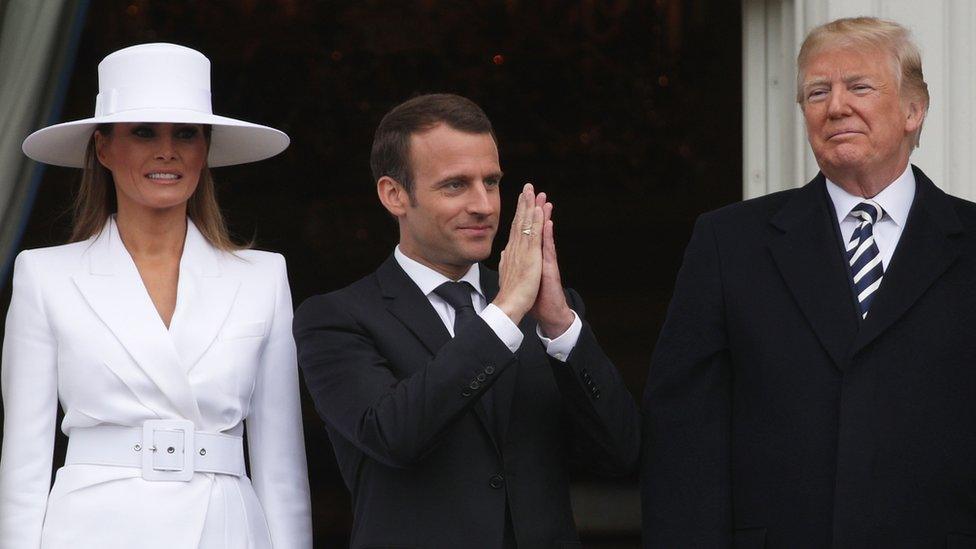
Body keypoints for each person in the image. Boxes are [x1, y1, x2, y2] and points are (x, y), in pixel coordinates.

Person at [640, 16, 976, 548]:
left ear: (914, 109)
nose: (836, 106)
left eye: (858, 86)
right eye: (818, 92)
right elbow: (683, 440)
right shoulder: (729, 243)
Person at [0, 43, 311, 548]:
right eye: (144, 131)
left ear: (204, 149)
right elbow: (24, 466)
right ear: (104, 148)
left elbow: (282, 469)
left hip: (225, 529)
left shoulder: (263, 277)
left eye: (185, 134)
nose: (167, 150)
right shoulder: (45, 275)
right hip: (92, 530)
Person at [295, 93, 639, 549]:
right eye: (455, 185)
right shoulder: (336, 318)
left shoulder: (546, 313)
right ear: (394, 195)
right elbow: (393, 435)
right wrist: (503, 314)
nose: (484, 205)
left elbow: (621, 454)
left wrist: (560, 327)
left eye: (492, 182)